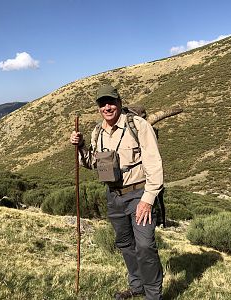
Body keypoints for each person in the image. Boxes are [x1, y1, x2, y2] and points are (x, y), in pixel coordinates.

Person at [70, 84, 164, 300]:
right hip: (114, 197)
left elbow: (154, 164)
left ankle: (153, 296)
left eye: (111, 102)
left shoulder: (138, 126)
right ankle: (137, 286)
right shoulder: (97, 132)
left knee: (145, 245)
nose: (107, 107)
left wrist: (148, 200)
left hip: (139, 194)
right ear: (98, 107)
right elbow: (92, 163)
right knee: (125, 244)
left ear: (120, 102)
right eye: (102, 103)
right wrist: (81, 146)